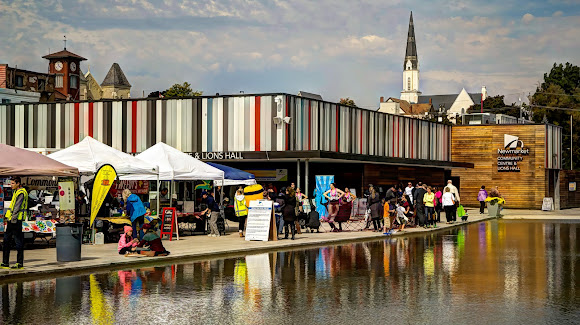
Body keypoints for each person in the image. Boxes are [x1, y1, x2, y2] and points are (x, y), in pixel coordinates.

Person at [1, 177, 28, 269]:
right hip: (11, 219)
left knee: (18, 242)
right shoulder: (16, 192)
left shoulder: (21, 192)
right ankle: (5, 263)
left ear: (18, 183)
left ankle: (19, 263)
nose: (11, 185)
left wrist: (13, 219)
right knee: (6, 241)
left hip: (16, 220)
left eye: (12, 183)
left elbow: (17, 207)